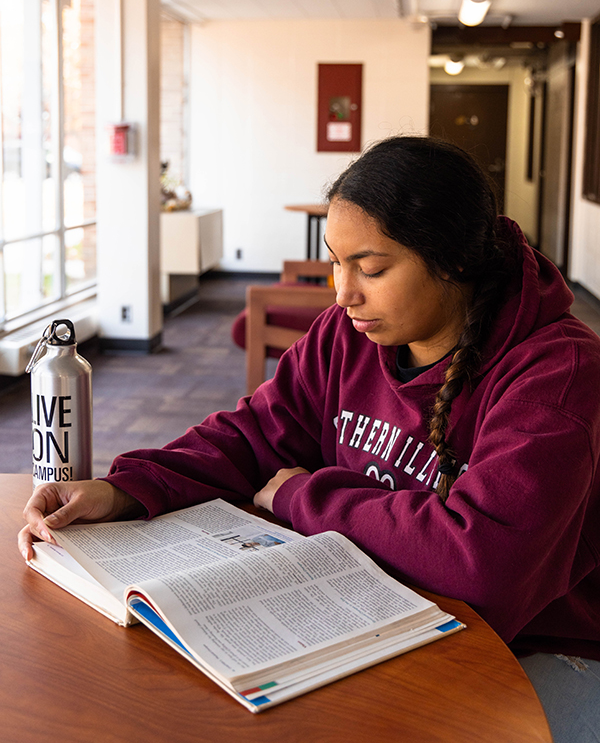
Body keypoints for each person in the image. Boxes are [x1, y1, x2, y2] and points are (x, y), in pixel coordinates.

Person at [19, 136, 600, 741]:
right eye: (336, 262)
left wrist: (305, 497)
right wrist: (123, 489)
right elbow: (251, 435)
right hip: (382, 618)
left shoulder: (556, 374)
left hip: (534, 649)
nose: (343, 292)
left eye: (371, 269)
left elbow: (482, 563)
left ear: (452, 261)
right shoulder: (347, 335)